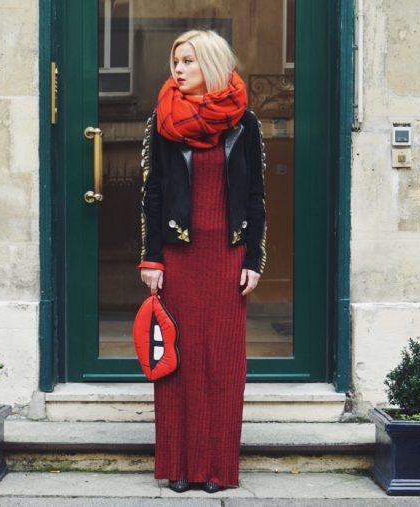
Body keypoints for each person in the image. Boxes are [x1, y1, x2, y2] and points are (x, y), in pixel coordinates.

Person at [137, 30, 267, 494]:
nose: (178, 69)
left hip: (227, 255)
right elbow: (151, 195)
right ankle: (181, 467)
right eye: (176, 60)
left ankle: (216, 468)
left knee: (224, 362)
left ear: (209, 65)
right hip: (179, 254)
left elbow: (255, 196)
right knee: (179, 361)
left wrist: (253, 256)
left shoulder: (243, 123)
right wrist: (151, 258)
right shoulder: (163, 119)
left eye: (188, 61)